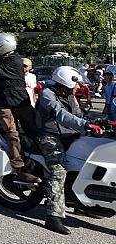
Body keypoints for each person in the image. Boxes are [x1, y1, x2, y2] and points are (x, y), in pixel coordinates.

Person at [35, 66, 103, 235]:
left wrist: (97, 122)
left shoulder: (70, 96)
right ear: (65, 84)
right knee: (58, 171)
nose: (78, 87)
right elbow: (60, 115)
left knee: (86, 163)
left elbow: (78, 115)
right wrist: (85, 125)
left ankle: (81, 203)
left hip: (69, 135)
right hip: (49, 136)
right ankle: (53, 217)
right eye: (75, 84)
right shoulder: (47, 94)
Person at [0, 32, 40, 183]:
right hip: (5, 102)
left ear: (2, 46)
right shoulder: (6, 59)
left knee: (34, 128)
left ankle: (39, 157)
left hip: (18, 101)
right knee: (11, 133)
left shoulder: (14, 61)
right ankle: (19, 167)